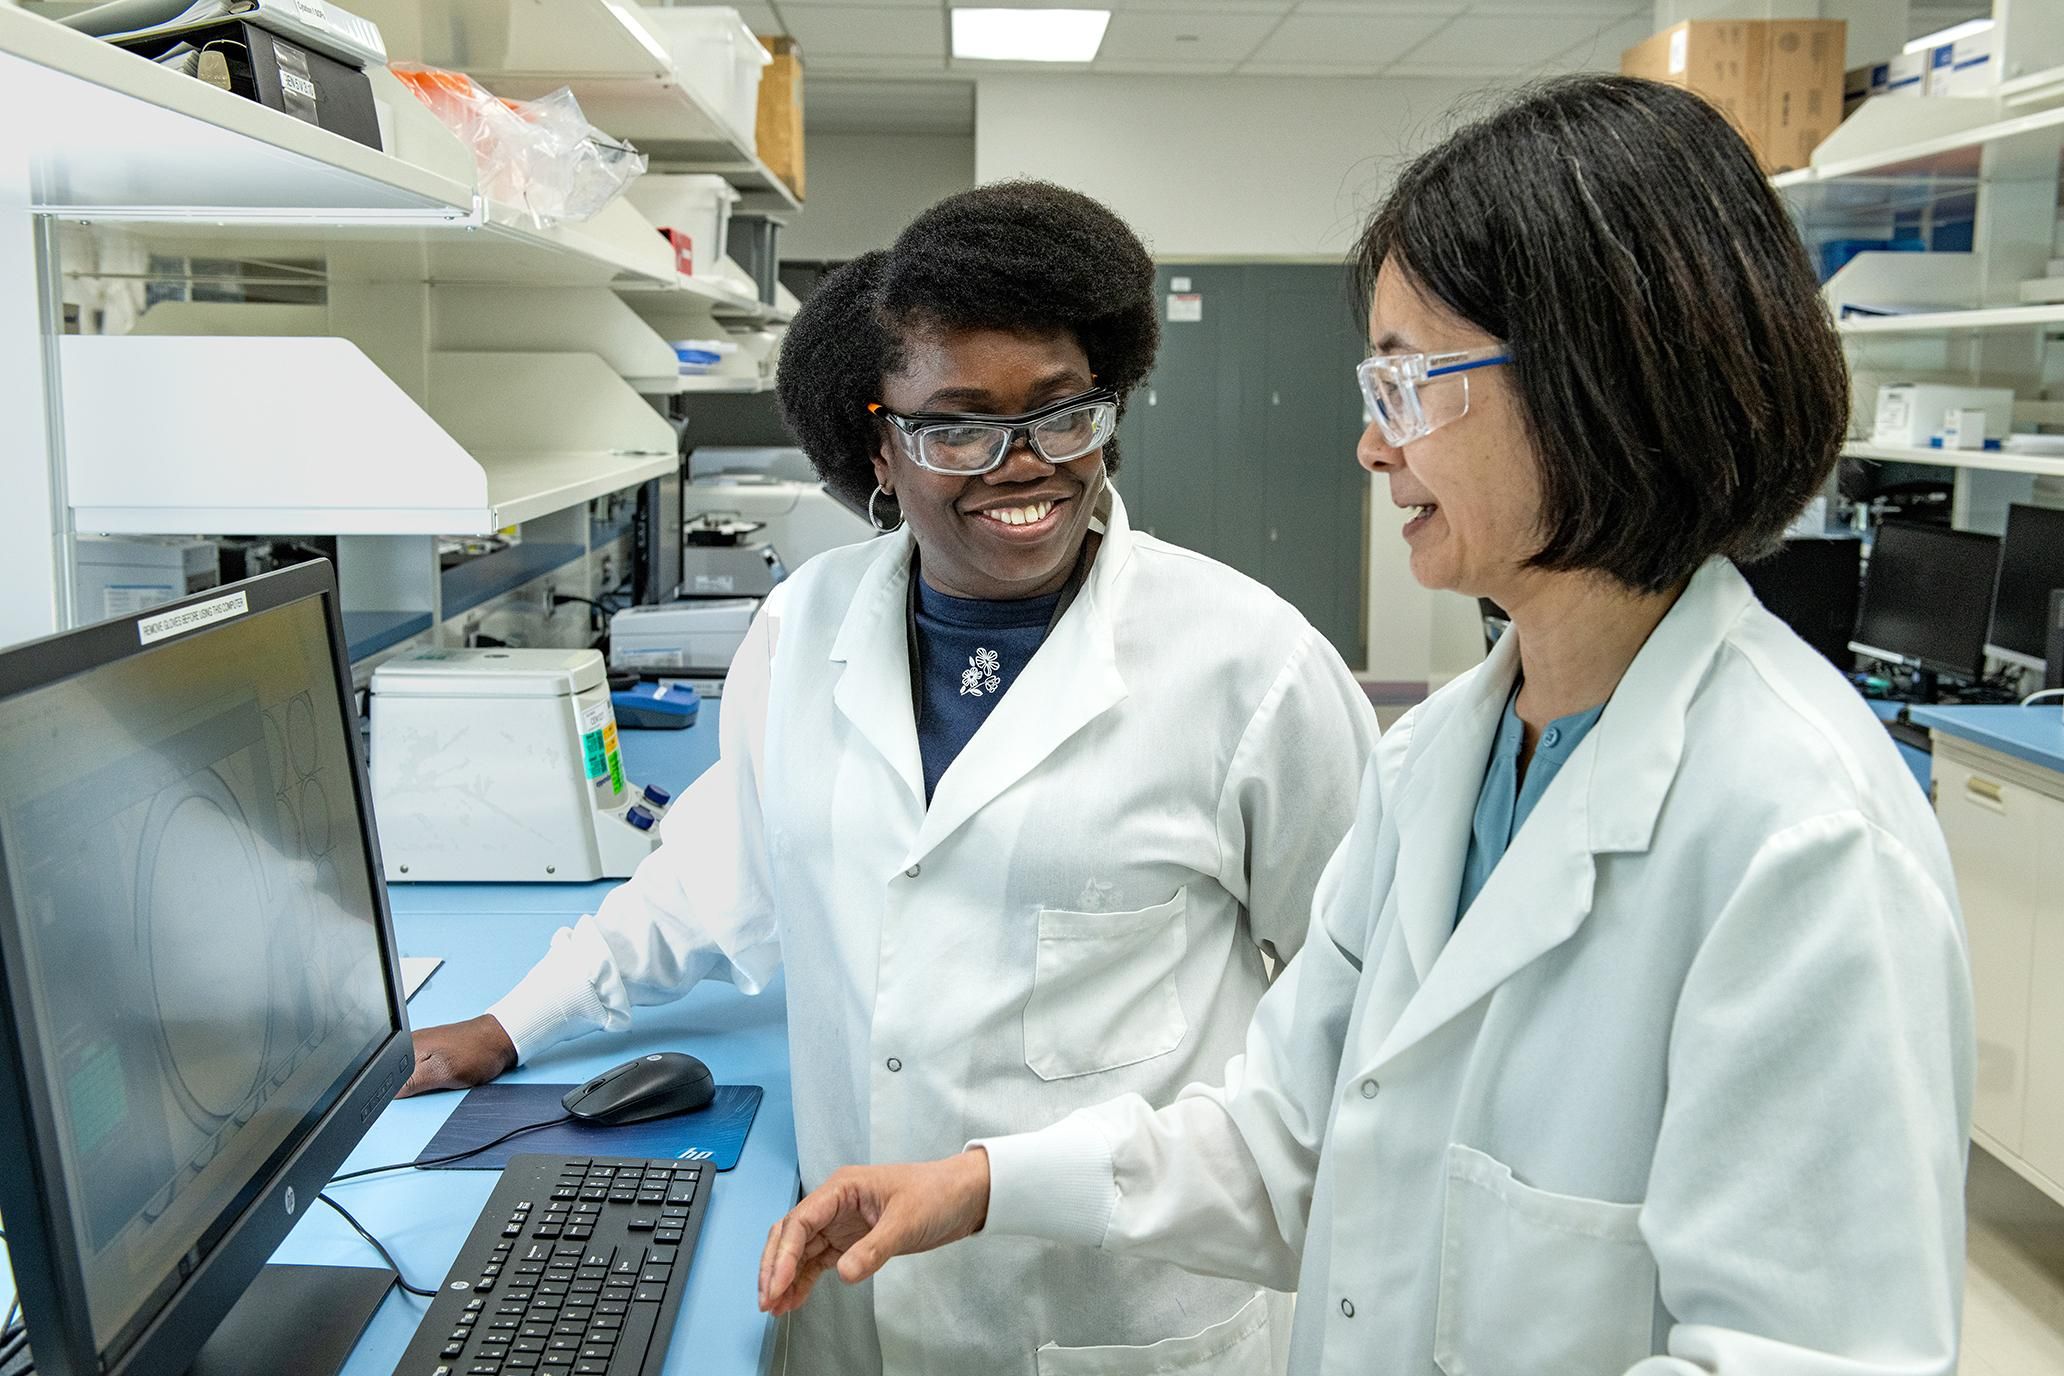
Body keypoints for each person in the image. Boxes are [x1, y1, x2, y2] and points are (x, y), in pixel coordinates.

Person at [759, 76, 1977, 1375]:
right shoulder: (1442, 762)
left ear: (1601, 381)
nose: (1370, 447)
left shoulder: (1804, 837)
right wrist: (979, 1184)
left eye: (1410, 383)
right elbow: (1291, 1137)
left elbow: (1815, 1354)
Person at [402, 180, 1379, 1373]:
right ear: (880, 444)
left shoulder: (1252, 666)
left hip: (1110, 1310)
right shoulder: (804, 628)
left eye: (1061, 414)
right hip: (857, 1305)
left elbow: (1365, 1005)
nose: (1023, 468)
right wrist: (509, 1024)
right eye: (958, 427)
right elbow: (718, 870)